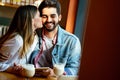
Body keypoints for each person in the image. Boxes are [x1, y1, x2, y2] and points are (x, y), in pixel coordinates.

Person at [29, 0, 81, 76]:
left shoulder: (72, 41)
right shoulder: (33, 35)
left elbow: (74, 69)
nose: (49, 20)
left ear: (59, 17)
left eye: (53, 16)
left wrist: (56, 73)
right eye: (44, 16)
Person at [0, 5, 42, 76]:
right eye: (39, 15)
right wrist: (12, 69)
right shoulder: (16, 40)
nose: (42, 18)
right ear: (31, 20)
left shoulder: (35, 38)